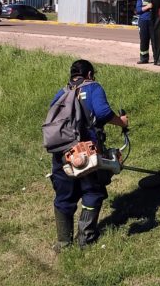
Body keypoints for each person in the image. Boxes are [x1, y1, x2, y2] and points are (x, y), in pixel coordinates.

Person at [49, 59, 129, 251]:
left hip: (62, 152)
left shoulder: (62, 92)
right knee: (92, 191)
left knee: (64, 195)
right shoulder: (93, 87)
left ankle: (63, 242)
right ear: (90, 75)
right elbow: (102, 113)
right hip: (87, 152)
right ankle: (85, 238)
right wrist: (122, 122)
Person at [135, 0, 160, 65]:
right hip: (143, 22)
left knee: (155, 41)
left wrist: (154, 2)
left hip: (154, 22)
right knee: (144, 40)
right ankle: (144, 58)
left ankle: (157, 59)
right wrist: (147, 7)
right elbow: (138, 10)